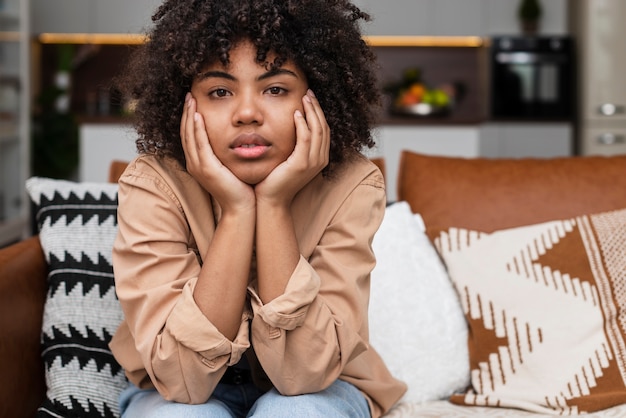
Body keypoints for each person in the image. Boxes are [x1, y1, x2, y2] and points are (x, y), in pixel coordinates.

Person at [109, 0, 407, 417]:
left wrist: (272, 203)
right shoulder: (153, 183)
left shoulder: (352, 184)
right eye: (219, 91)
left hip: (322, 388)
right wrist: (235, 211)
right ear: (184, 104)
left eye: (275, 89)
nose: (247, 113)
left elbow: (304, 375)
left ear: (316, 98)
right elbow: (182, 381)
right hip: (181, 393)